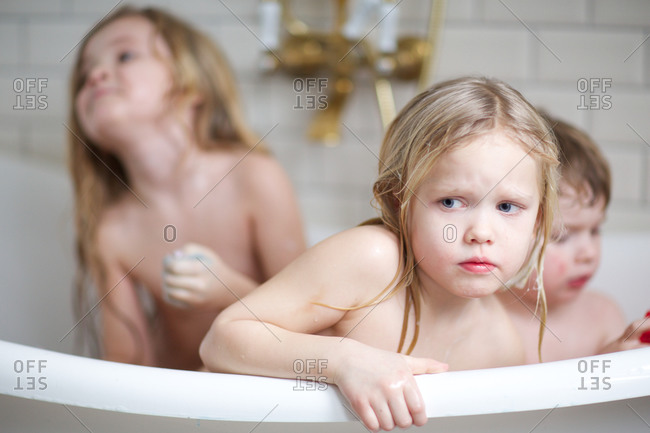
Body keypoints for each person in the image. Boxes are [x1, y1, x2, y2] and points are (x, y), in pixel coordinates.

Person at [200, 77, 560, 432]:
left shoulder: (500, 347)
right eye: (450, 202)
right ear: (398, 201)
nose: (481, 232)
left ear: (537, 220)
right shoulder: (372, 260)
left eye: (508, 206)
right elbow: (222, 340)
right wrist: (343, 360)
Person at [68, 6, 305, 370]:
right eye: (85, 75)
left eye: (125, 55)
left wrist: (226, 289)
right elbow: (126, 363)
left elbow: (310, 319)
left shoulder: (253, 177)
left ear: (191, 85)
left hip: (262, 381)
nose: (96, 75)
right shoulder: (113, 230)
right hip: (180, 394)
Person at [498, 113, 650, 363]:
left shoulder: (602, 314)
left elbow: (608, 400)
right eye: (561, 236)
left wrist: (613, 358)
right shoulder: (482, 318)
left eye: (595, 230)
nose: (588, 252)